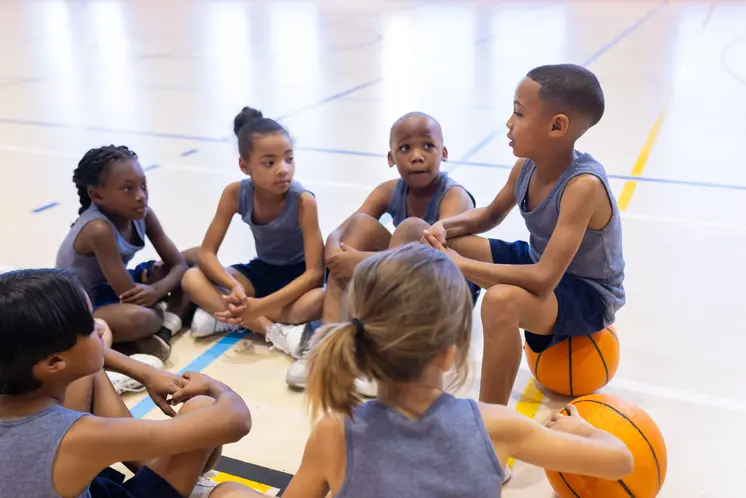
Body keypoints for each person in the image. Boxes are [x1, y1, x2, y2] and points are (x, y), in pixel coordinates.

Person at [279, 244, 632, 497]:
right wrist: (579, 428)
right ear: (451, 353)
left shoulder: (333, 432)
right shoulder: (496, 427)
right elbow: (620, 461)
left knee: (230, 492)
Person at [423, 64, 625, 406]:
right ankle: (425, 360)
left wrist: (461, 266)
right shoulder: (526, 166)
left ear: (557, 126)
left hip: (588, 294)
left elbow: (543, 280)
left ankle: (491, 428)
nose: (508, 122)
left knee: (501, 301)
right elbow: (489, 215)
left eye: (519, 112)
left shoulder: (583, 186)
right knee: (440, 243)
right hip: (540, 263)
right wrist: (446, 228)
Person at [0, 268, 265, 498]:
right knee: (203, 408)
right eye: (91, 328)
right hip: (81, 462)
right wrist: (214, 387)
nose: (101, 328)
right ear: (55, 362)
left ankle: (160, 468)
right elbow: (235, 422)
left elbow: (85, 357)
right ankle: (175, 477)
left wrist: (145, 372)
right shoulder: (79, 435)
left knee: (89, 370)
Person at [285, 112, 478, 389]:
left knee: (412, 228)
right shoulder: (388, 190)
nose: (417, 156)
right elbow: (341, 231)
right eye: (405, 148)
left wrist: (360, 262)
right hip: (406, 280)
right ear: (391, 158)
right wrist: (337, 253)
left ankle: (387, 360)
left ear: (443, 152)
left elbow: (434, 258)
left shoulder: (454, 196)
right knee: (361, 226)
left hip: (449, 295)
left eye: (427, 146)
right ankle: (326, 348)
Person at [181, 107, 324, 357]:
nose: (283, 169)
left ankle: (228, 315)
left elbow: (314, 273)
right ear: (244, 166)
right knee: (191, 279)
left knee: (320, 300)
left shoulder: (304, 201)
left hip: (299, 280)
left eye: (289, 159)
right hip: (262, 271)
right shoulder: (235, 194)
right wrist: (233, 286)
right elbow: (206, 253)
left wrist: (259, 305)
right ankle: (273, 331)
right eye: (270, 162)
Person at [56, 145, 195, 361]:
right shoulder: (98, 229)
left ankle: (162, 330)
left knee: (195, 259)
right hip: (86, 302)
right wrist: (159, 289)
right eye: (128, 189)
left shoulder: (143, 214)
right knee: (140, 318)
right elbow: (130, 295)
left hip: (117, 286)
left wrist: (155, 289)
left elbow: (179, 264)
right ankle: (167, 320)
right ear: (96, 195)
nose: (141, 196)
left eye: (143, 185)